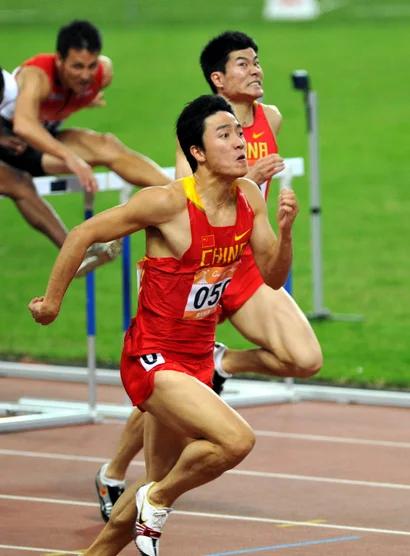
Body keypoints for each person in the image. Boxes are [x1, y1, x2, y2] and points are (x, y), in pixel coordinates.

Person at [29, 94, 299, 556]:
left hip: (197, 357)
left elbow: (272, 274)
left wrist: (284, 233)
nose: (240, 141)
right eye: (224, 134)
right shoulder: (167, 201)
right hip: (152, 357)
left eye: (239, 133)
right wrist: (52, 302)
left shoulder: (250, 198)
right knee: (236, 441)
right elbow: (84, 233)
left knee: (154, 478)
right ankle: (160, 497)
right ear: (196, 151)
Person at [93, 30, 323, 523]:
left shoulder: (271, 117)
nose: (257, 70)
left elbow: (247, 205)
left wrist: (264, 205)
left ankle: (225, 364)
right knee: (168, 383)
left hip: (247, 259)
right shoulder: (198, 129)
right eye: (244, 64)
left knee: (305, 358)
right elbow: (193, 196)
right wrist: (252, 178)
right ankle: (116, 473)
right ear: (219, 79)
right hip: (201, 266)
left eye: (258, 61)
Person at [1, 20, 171, 274]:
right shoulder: (37, 75)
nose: (85, 74)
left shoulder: (103, 75)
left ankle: (181, 198)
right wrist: (72, 159)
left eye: (91, 66)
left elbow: (74, 94)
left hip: (41, 140)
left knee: (107, 146)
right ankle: (75, 253)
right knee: (19, 184)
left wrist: (86, 98)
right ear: (59, 59)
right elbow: (24, 125)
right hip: (13, 136)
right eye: (77, 66)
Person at [0, 66, 118, 275]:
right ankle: (74, 255)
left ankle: (74, 256)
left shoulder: (8, 86)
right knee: (15, 183)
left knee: (20, 184)